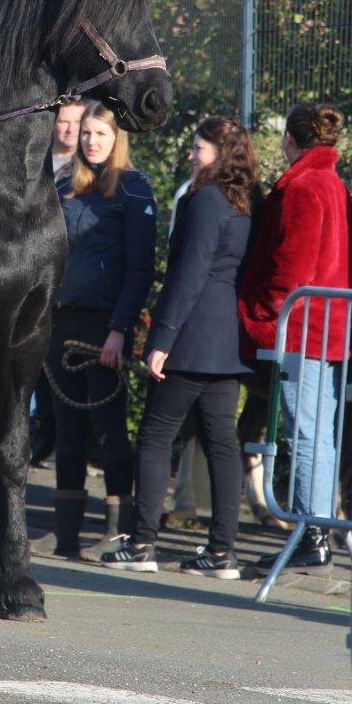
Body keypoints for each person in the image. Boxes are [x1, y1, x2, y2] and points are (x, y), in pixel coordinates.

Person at [102, 117, 261, 579]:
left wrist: (163, 338)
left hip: (191, 338)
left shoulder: (207, 200)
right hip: (228, 341)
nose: (192, 155)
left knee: (155, 435)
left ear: (219, 153)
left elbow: (188, 275)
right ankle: (221, 553)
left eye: (199, 148)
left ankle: (142, 544)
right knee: (221, 443)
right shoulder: (250, 199)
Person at [239, 102, 352, 574]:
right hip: (327, 328)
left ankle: (312, 534)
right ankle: (317, 529)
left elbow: (292, 270)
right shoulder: (333, 183)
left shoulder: (303, 187)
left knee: (305, 434)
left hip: (304, 330)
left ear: (290, 141)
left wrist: (263, 316)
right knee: (319, 435)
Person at [37, 101, 157, 561]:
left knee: (109, 432)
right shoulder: (63, 185)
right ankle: (64, 531)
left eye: (100, 134)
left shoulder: (132, 188)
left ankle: (116, 529)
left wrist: (118, 330)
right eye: (86, 132)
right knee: (66, 429)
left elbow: (139, 269)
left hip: (104, 327)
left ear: (116, 139)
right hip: (60, 322)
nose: (90, 141)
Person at [31, 99, 88, 468]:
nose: (67, 130)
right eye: (62, 122)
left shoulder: (86, 171)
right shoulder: (37, 162)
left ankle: (57, 444)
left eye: (74, 124)